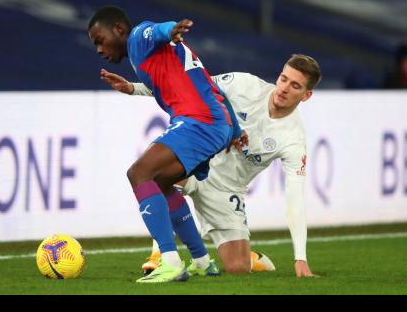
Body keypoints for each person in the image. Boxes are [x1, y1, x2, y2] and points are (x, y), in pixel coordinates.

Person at [101, 54, 321, 277]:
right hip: (197, 163)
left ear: (306, 95)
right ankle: (161, 254)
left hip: (227, 191)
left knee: (238, 269)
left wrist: (300, 258)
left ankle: (249, 258)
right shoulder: (243, 85)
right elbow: (189, 85)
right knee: (159, 177)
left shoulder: (294, 139)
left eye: (295, 86)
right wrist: (133, 88)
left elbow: (295, 198)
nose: (284, 88)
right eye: (283, 79)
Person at [88, 6, 244, 283]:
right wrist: (234, 128)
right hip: (215, 121)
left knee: (139, 173)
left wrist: (171, 28)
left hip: (200, 121)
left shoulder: (137, 37)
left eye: (100, 40)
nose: (99, 49)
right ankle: (202, 261)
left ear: (119, 30)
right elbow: (209, 86)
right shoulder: (154, 56)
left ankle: (170, 262)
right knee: (160, 184)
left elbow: (155, 30)